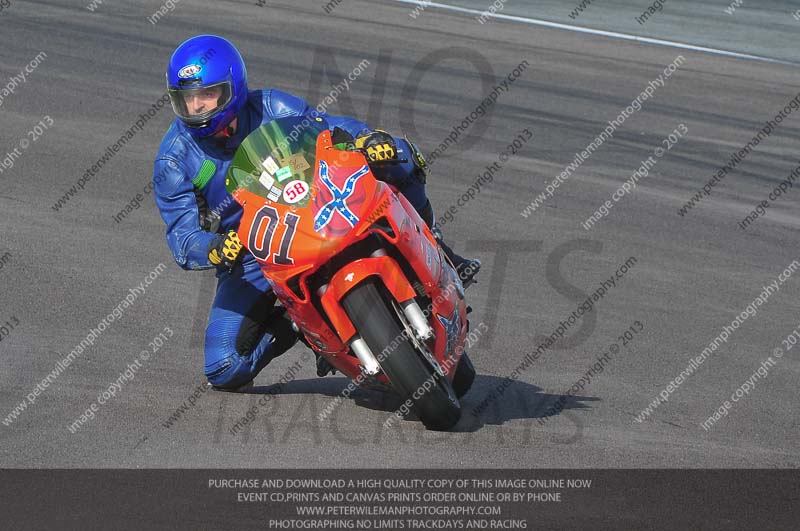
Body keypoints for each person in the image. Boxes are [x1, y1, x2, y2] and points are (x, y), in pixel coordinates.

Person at [153, 35, 480, 391]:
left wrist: (367, 138)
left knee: (395, 152)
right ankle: (301, 324)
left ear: (234, 87)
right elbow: (183, 239)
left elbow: (332, 129)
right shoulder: (174, 159)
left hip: (320, 202)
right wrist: (215, 248)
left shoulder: (273, 107)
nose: (197, 107)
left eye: (207, 95)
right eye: (186, 100)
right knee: (224, 367)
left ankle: (436, 243)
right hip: (256, 251)